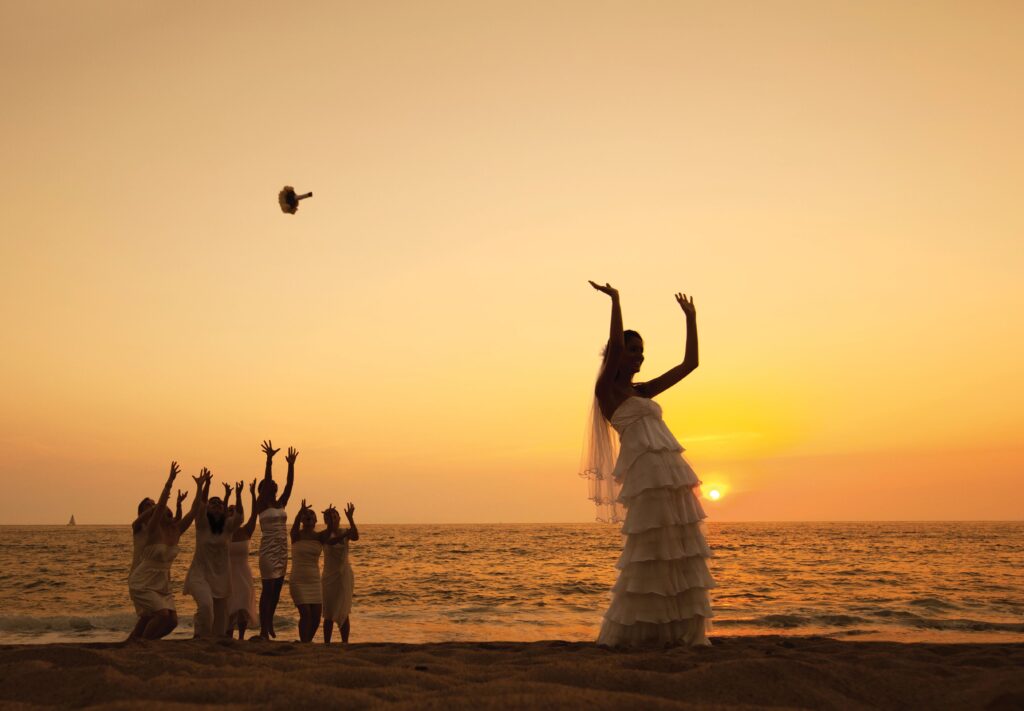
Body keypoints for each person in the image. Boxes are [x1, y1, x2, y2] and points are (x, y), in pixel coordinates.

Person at [584, 281, 715, 647]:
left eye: (642, 351)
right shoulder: (607, 391)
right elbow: (614, 346)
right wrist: (616, 300)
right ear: (616, 354)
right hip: (645, 478)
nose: (639, 357)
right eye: (632, 350)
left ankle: (673, 630)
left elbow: (691, 364)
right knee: (650, 550)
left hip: (671, 478)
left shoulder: (642, 391)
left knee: (678, 549)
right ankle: (639, 629)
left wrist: (691, 320)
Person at [128, 463, 203, 640]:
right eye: (151, 506)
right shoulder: (149, 529)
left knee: (171, 621)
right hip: (143, 579)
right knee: (159, 615)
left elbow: (193, 512)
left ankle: (139, 642)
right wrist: (169, 481)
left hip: (161, 581)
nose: (166, 513)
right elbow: (160, 507)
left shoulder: (175, 530)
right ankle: (142, 645)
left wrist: (200, 487)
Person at [183, 475, 243, 638]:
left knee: (220, 618)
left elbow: (239, 517)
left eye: (220, 503)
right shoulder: (202, 524)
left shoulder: (227, 526)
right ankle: (199, 635)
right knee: (205, 605)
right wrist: (205, 485)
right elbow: (200, 506)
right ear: (208, 508)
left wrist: (238, 495)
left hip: (221, 576)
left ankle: (211, 641)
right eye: (213, 502)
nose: (217, 504)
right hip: (199, 574)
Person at [254, 441, 297, 639]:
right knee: (268, 589)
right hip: (268, 550)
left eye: (275, 485)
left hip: (282, 549)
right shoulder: (261, 503)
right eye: (271, 484)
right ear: (263, 489)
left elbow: (289, 486)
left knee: (277, 590)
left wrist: (291, 465)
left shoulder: (280, 502)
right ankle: (263, 629)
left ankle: (269, 623)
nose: (275, 485)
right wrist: (269, 460)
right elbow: (268, 477)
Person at [321, 503, 358, 644]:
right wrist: (345, 534)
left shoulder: (344, 531)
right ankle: (326, 643)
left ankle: (345, 642)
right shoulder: (324, 534)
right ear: (325, 521)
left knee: (344, 610)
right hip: (329, 577)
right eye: (329, 517)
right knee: (328, 612)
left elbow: (355, 537)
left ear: (339, 518)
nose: (332, 518)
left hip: (344, 576)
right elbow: (330, 542)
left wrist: (351, 519)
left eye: (334, 516)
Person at [226, 479, 259, 640]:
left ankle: (241, 637)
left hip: (244, 573)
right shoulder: (223, 532)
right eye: (229, 510)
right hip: (228, 573)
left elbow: (254, 514)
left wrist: (252, 494)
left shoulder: (246, 530)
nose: (232, 511)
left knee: (243, 606)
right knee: (230, 606)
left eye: (234, 509)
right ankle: (228, 635)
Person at [289, 500, 324, 642]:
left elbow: (334, 532)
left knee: (316, 617)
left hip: (314, 580)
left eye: (311, 514)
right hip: (298, 580)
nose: (309, 516)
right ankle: (304, 642)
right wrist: (300, 512)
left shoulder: (320, 537)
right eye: (306, 515)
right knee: (306, 614)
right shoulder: (296, 535)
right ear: (302, 519)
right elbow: (295, 525)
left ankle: (307, 642)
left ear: (316, 520)